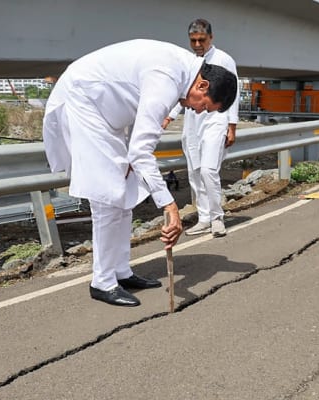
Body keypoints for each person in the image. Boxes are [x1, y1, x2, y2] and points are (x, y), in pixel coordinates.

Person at [42, 39, 237, 307]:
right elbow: (141, 151)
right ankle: (102, 282)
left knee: (125, 193)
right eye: (205, 105)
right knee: (108, 197)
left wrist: (135, 161)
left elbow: (141, 132)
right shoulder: (167, 80)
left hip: (108, 113)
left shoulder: (181, 72)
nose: (198, 111)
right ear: (202, 85)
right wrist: (170, 206)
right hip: (83, 102)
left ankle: (121, 271)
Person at [162, 19, 239, 238]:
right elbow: (181, 92)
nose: (197, 44)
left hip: (216, 119)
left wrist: (231, 126)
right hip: (193, 121)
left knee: (208, 171)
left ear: (210, 38)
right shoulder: (188, 62)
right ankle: (203, 218)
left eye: (201, 40)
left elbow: (232, 95)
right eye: (193, 40)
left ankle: (217, 218)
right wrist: (169, 116)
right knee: (194, 172)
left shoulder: (224, 60)